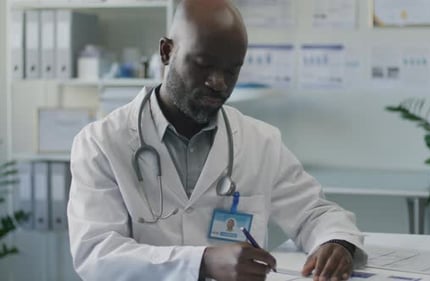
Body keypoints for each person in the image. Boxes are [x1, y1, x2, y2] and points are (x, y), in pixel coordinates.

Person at [67, 0, 367, 280]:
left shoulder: (260, 142)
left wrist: (336, 242)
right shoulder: (101, 143)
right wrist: (203, 262)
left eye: (231, 70)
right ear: (166, 52)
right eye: (203, 64)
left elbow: (314, 213)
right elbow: (96, 253)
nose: (218, 83)